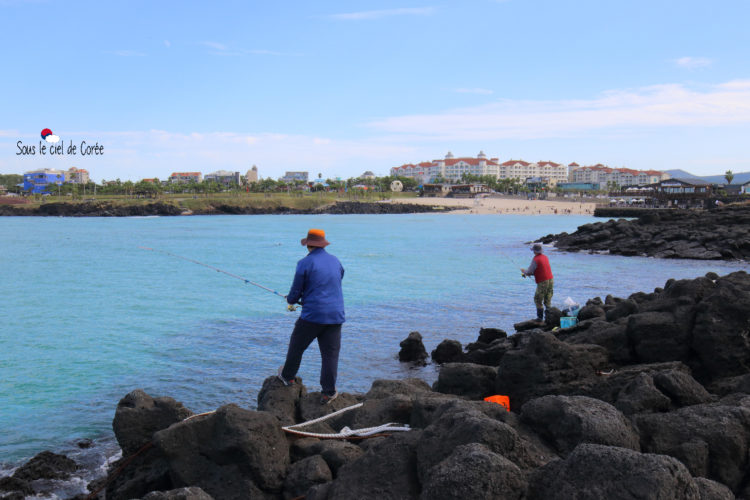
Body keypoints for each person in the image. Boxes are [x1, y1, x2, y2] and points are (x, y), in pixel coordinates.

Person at [278, 228, 345, 404]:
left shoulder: (304, 263)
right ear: (323, 244)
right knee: (330, 355)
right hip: (335, 316)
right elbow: (338, 279)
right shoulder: (336, 261)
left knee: (297, 346)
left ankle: (288, 376)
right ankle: (328, 392)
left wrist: (291, 299)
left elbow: (294, 293)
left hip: (312, 316)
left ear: (308, 245)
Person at [521, 243, 554, 322]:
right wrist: (528, 273)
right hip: (551, 280)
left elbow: (529, 271)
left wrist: (523, 271)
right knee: (547, 299)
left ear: (534, 251)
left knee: (537, 299)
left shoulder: (536, 259)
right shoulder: (545, 257)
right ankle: (549, 318)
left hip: (543, 281)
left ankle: (540, 318)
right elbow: (539, 270)